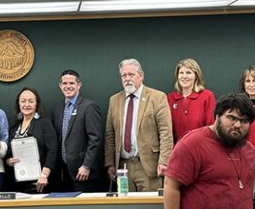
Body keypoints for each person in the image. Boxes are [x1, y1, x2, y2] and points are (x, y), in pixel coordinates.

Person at [104, 58, 173, 192]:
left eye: (131, 74)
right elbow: (109, 134)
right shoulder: (114, 100)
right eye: (124, 75)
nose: (127, 78)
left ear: (141, 76)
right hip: (122, 167)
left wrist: (164, 161)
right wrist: (109, 163)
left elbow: (166, 133)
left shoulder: (157, 97)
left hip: (148, 166)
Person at [51, 69, 105, 193]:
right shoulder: (58, 109)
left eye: (72, 83)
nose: (68, 86)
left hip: (84, 173)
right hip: (64, 174)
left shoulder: (89, 106)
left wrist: (86, 166)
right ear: (60, 86)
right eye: (65, 83)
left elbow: (95, 139)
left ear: (79, 85)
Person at [6, 87, 57, 193]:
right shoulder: (14, 128)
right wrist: (9, 161)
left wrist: (44, 175)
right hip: (17, 183)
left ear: (36, 104)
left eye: (31, 101)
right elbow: (8, 155)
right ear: (18, 104)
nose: (27, 104)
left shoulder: (44, 124)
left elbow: (52, 151)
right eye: (23, 101)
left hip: (40, 182)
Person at [167, 58, 216, 144]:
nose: (184, 76)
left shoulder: (207, 96)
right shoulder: (170, 98)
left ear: (196, 76)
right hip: (177, 151)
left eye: (188, 72)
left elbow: (211, 127)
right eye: (181, 73)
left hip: (200, 149)